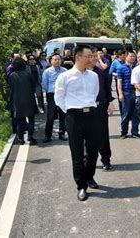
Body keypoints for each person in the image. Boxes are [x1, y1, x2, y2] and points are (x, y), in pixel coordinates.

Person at [54, 45, 100, 201]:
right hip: (74, 117)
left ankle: (89, 176)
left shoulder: (93, 76)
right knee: (77, 153)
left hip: (91, 115)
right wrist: (70, 112)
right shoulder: (65, 77)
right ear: (78, 57)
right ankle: (81, 185)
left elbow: (95, 94)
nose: (91, 58)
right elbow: (58, 98)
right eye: (88, 56)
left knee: (93, 151)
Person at [88, 48, 115, 172]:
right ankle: (88, 161)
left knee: (103, 134)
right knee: (87, 135)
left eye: (95, 57)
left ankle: (106, 160)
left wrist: (110, 103)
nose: (93, 59)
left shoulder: (101, 72)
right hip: (87, 108)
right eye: (91, 56)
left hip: (101, 106)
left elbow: (107, 89)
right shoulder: (82, 73)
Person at [8, 58, 38, 145]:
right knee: (31, 118)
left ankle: (20, 138)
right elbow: (33, 86)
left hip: (17, 100)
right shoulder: (28, 74)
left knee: (20, 120)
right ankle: (30, 137)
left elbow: (10, 87)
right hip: (29, 98)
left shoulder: (12, 75)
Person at [42, 53, 68, 143]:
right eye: (55, 59)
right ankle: (47, 135)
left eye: (59, 59)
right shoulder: (47, 72)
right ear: (51, 61)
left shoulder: (65, 71)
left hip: (63, 95)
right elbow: (44, 84)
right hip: (52, 95)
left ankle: (62, 133)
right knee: (50, 116)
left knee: (63, 115)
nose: (57, 61)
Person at [117, 51, 140, 139]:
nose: (133, 58)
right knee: (126, 113)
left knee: (136, 114)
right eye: (131, 56)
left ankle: (135, 132)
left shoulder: (137, 68)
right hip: (126, 92)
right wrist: (120, 94)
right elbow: (119, 82)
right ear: (126, 56)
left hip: (136, 92)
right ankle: (124, 132)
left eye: (134, 56)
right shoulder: (121, 68)